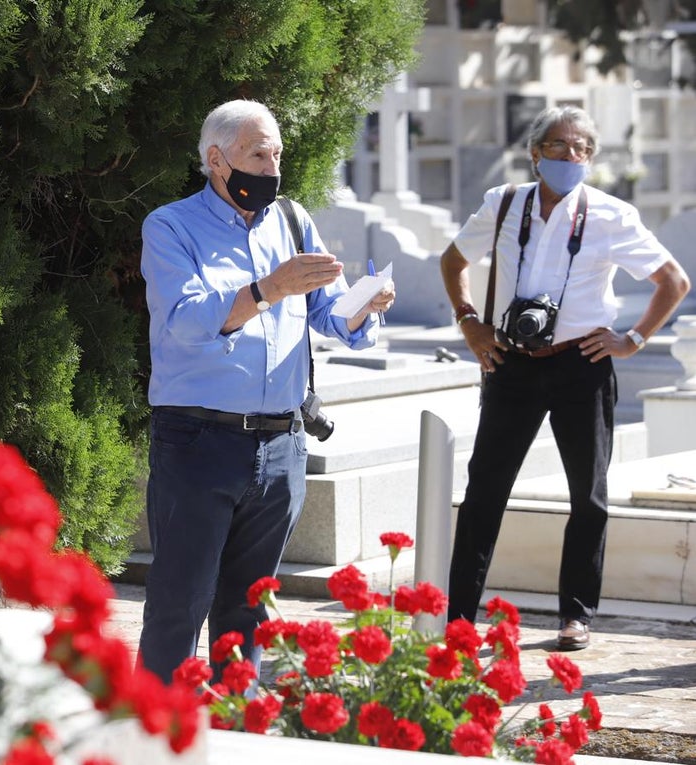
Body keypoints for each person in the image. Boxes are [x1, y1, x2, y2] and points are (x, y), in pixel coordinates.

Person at [137, 99, 395, 684]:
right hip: (199, 440)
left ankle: (232, 732)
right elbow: (182, 320)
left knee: (250, 613)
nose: (272, 166)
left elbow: (330, 316)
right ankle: (149, 734)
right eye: (258, 153)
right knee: (180, 604)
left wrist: (365, 307)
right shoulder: (171, 225)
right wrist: (265, 290)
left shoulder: (295, 220)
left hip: (281, 446)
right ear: (216, 159)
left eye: (277, 152)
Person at [441, 105, 690, 649]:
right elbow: (453, 260)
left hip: (584, 364)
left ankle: (576, 615)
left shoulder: (611, 215)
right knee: (484, 492)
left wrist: (634, 339)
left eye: (582, 149)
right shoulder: (502, 205)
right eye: (560, 146)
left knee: (589, 496)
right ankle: (459, 617)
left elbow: (673, 281)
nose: (572, 156)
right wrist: (470, 323)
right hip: (511, 361)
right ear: (535, 154)